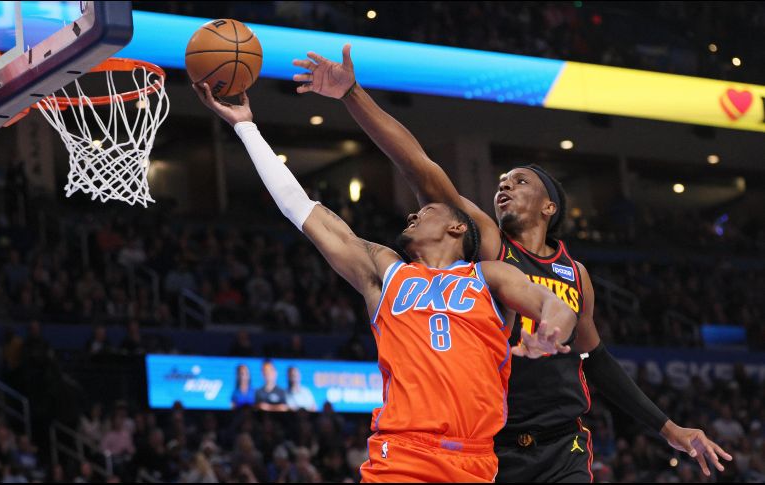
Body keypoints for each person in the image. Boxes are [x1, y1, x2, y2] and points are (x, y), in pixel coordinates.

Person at [293, 44, 734, 481]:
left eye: (519, 182)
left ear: (549, 208)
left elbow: (595, 359)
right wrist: (353, 94)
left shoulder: (574, 274)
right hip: (495, 445)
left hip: (563, 445)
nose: (504, 187)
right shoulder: (489, 246)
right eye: (501, 182)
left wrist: (669, 428)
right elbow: (418, 167)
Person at [194, 82, 578, 482]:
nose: (412, 216)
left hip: (474, 460)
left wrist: (550, 333)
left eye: (424, 211)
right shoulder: (386, 270)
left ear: (456, 226)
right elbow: (302, 209)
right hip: (401, 456)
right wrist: (247, 128)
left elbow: (554, 304)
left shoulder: (489, 275)